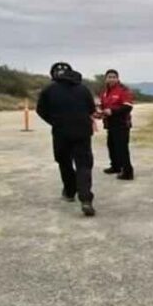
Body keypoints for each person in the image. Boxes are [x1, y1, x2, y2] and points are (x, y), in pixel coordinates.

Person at [36, 62, 96, 216]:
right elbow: (91, 109)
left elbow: (40, 110)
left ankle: (69, 191)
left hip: (61, 132)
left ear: (53, 74)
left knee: (64, 162)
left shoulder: (48, 90)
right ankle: (86, 199)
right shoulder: (83, 89)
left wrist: (54, 121)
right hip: (82, 132)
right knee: (83, 165)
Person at [98, 68, 135, 180]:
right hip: (110, 124)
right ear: (106, 79)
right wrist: (99, 113)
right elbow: (102, 106)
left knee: (121, 148)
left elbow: (128, 107)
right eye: (110, 77)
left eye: (114, 77)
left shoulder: (123, 90)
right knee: (111, 146)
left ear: (118, 78)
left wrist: (112, 111)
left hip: (122, 123)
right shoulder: (104, 93)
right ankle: (116, 167)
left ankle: (127, 172)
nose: (112, 79)